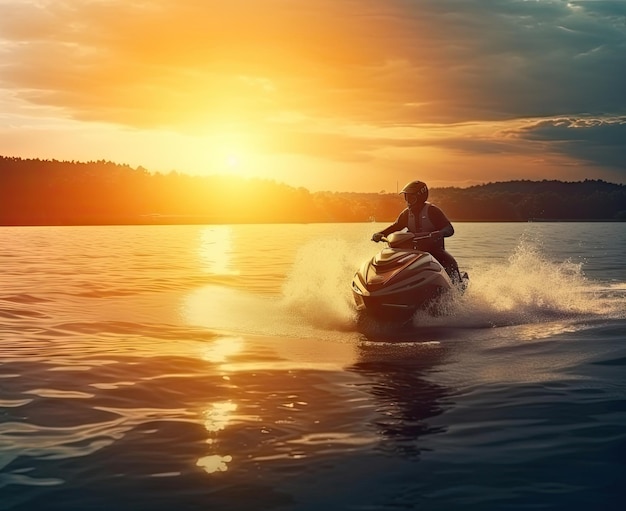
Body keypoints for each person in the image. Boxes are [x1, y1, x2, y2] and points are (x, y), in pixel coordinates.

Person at [372, 180, 462, 281]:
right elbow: (395, 226)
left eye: (411, 198)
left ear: (420, 197)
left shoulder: (432, 211)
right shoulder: (406, 214)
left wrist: (439, 233)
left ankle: (458, 286)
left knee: (450, 262)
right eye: (406, 198)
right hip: (411, 252)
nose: (408, 201)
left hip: (434, 251)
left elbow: (449, 229)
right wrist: (381, 233)